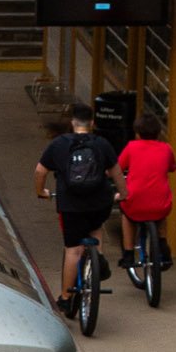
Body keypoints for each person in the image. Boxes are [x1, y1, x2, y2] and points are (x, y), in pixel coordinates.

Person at [35, 102, 119, 312]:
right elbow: (116, 173)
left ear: (73, 122)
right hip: (99, 203)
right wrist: (123, 194)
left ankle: (65, 297)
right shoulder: (102, 144)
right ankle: (97, 261)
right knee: (96, 226)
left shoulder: (59, 144)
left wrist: (41, 191)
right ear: (92, 123)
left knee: (73, 250)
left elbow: (40, 171)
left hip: (71, 206)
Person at [113, 110, 176, 271]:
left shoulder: (132, 147)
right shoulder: (166, 148)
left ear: (138, 133)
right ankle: (162, 244)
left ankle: (128, 253)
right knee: (161, 213)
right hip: (159, 203)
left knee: (127, 215)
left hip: (135, 201)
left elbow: (118, 168)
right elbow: (172, 166)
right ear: (158, 132)